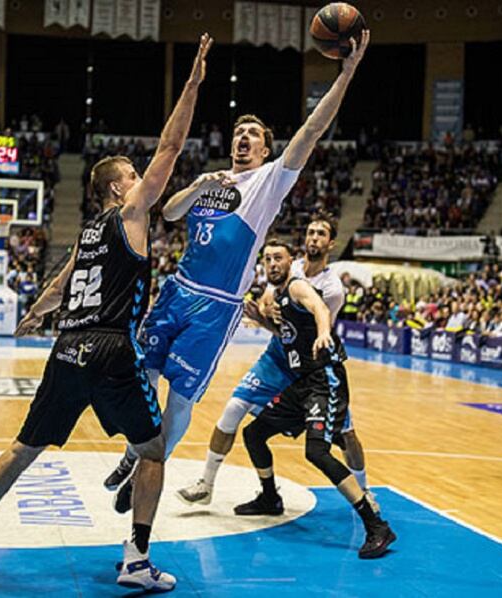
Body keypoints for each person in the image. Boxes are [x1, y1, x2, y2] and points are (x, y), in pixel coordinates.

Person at [0, 34, 212, 593]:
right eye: (133, 176)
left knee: (23, 449)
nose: (143, 181)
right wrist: (192, 84)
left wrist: (35, 314)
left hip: (67, 346)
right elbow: (170, 149)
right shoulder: (129, 212)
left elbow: (60, 285)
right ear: (118, 187)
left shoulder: (87, 234)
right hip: (111, 346)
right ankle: (136, 560)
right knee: (153, 450)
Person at [105, 30, 372, 510]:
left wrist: (347, 72)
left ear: (267, 150)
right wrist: (196, 186)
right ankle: (133, 451)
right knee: (140, 375)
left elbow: (311, 131)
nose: (242, 138)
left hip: (217, 304)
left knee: (180, 400)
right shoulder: (215, 180)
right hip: (177, 289)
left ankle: (150, 464)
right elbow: (167, 214)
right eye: (237, 134)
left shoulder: (269, 181)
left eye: (252, 135)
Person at [176, 216, 370, 506]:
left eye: (321, 234)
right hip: (277, 357)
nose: (314, 238)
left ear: (331, 244)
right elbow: (268, 300)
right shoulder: (289, 267)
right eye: (310, 232)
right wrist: (268, 311)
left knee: (347, 434)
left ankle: (364, 489)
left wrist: (275, 318)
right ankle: (207, 483)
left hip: (311, 363)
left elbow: (303, 329)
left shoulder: (332, 288)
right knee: (233, 408)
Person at [235, 240, 395, 559]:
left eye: (278, 258)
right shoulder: (279, 297)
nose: (272, 264)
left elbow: (319, 307)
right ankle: (269, 497)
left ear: (291, 261)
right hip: (302, 384)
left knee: (317, 452)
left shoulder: (296, 287)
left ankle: (376, 526)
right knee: (253, 434)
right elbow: (288, 336)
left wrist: (324, 331)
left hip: (326, 379)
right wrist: (264, 321)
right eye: (267, 259)